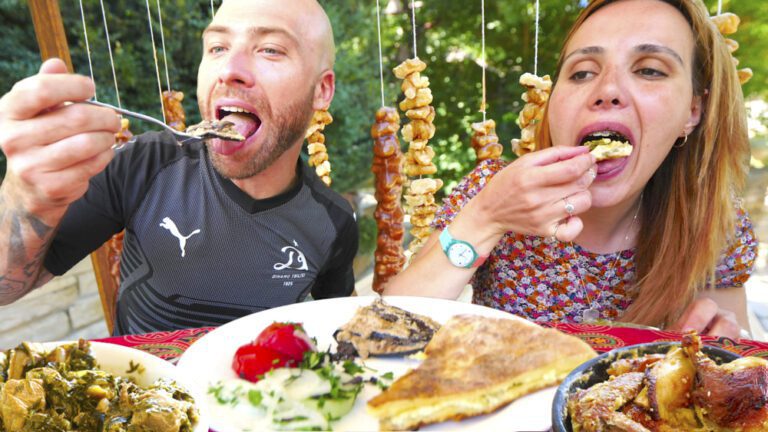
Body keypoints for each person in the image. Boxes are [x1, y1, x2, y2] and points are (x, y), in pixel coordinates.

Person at [385, 0, 757, 339]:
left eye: (649, 70)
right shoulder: (494, 189)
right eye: (581, 73)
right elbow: (388, 329)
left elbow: (723, 371)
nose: (607, 88)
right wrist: (485, 217)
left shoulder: (713, 220)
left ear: (693, 111)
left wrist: (710, 353)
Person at [0, 0, 358, 335]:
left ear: (321, 90)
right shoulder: (145, 165)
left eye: (270, 50)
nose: (229, 70)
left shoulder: (333, 222)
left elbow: (338, 329)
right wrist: (23, 194)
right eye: (217, 48)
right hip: (144, 396)